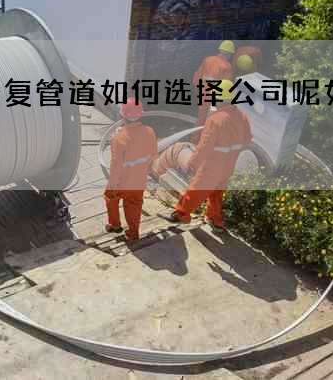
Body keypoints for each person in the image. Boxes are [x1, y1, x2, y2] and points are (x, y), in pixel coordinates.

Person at [152, 80, 252, 232]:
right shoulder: (242, 117)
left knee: (195, 190)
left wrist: (192, 164)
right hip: (228, 166)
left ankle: (181, 215)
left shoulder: (215, 120)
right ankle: (215, 220)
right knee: (216, 194)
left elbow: (204, 146)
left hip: (212, 166)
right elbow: (247, 140)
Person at [104, 97, 158, 241]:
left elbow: (116, 165)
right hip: (139, 179)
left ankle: (115, 225)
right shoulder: (149, 132)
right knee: (134, 205)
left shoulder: (119, 138)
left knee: (110, 197)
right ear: (141, 114)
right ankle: (133, 233)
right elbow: (153, 155)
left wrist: (112, 184)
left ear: (122, 115)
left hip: (122, 181)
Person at [193, 40, 235, 130]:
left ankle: (195, 137)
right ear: (229, 54)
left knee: (201, 118)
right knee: (211, 119)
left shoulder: (208, 59)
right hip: (215, 97)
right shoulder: (227, 66)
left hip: (203, 92)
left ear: (220, 50)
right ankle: (206, 136)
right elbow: (226, 86)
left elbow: (197, 76)